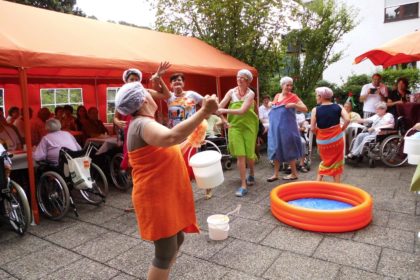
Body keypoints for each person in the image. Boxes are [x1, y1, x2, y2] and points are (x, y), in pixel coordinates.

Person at [115, 82, 218, 280]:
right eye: (149, 93)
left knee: (176, 239)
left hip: (163, 194)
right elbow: (171, 138)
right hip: (154, 197)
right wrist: (204, 111)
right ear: (144, 99)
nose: (155, 96)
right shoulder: (142, 124)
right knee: (164, 252)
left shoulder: (144, 122)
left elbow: (169, 149)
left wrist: (191, 140)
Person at [218, 69, 259, 197]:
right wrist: (224, 121)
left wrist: (224, 110)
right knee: (241, 155)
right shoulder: (231, 92)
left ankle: (251, 173)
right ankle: (243, 185)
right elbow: (218, 108)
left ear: (247, 80)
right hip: (234, 127)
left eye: (242, 77)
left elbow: (242, 110)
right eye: (238, 77)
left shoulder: (251, 94)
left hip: (249, 126)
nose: (239, 79)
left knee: (249, 154)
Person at [267, 76, 308, 182]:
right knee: (275, 149)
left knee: (289, 149)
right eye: (287, 85)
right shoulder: (277, 96)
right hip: (276, 128)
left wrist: (294, 105)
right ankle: (275, 174)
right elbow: (272, 106)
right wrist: (270, 103)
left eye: (291, 85)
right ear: (282, 85)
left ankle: (294, 173)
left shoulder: (293, 97)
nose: (289, 87)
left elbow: (305, 108)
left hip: (288, 128)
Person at [311, 87, 349, 183]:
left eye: (317, 95)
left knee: (325, 161)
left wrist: (319, 133)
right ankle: (337, 186)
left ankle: (317, 184)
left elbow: (312, 128)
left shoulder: (315, 110)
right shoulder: (339, 107)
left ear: (321, 97)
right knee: (337, 161)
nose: (316, 97)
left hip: (322, 141)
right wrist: (342, 129)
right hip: (337, 139)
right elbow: (347, 120)